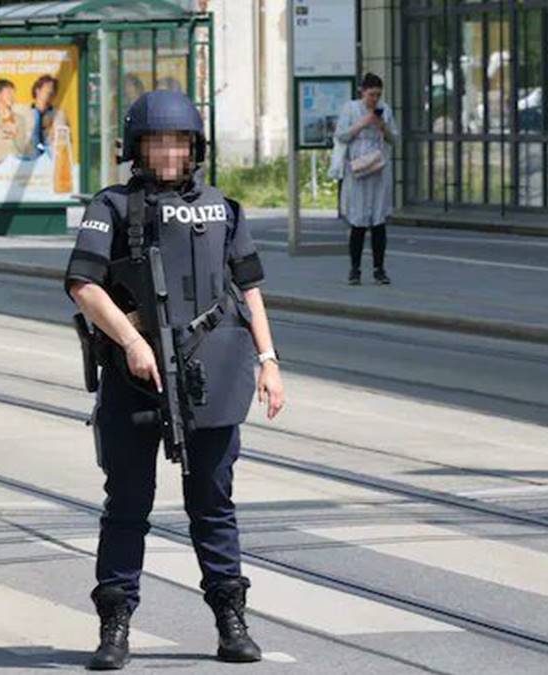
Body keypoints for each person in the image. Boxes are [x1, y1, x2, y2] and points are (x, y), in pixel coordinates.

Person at [65, 90, 286, 671]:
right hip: (134, 377)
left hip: (210, 376)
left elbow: (250, 289)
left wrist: (268, 360)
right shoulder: (112, 207)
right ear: (137, 149)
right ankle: (115, 627)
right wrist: (132, 341)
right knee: (127, 503)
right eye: (157, 142)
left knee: (213, 503)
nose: (169, 153)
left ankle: (231, 622)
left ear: (195, 148)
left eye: (179, 142)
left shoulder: (223, 209)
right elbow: (83, 285)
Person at [335, 72, 398, 285]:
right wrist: (363, 123)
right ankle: (355, 269)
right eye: (371, 94)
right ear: (363, 92)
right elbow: (341, 135)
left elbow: (394, 138)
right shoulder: (350, 109)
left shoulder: (385, 110)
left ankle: (379, 268)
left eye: (378, 95)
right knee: (358, 221)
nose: (374, 99)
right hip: (358, 171)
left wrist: (382, 126)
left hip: (378, 170)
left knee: (378, 221)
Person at [26, 74, 69, 159]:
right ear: (37, 91)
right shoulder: (24, 113)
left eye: (53, 90)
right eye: (47, 89)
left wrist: (51, 128)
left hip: (50, 159)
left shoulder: (59, 115)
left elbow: (62, 141)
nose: (50, 92)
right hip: (28, 160)